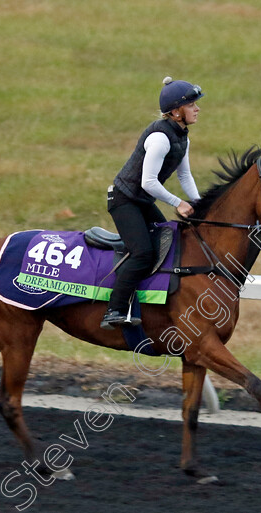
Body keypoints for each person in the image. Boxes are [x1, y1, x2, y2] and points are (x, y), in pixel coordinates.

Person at [101, 77, 204, 329]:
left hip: (141, 200)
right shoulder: (160, 138)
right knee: (143, 252)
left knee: (169, 241)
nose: (197, 108)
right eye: (192, 104)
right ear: (177, 111)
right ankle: (114, 310)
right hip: (124, 200)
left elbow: (184, 175)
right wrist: (178, 202)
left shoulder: (182, 137)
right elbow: (148, 182)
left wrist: (199, 204)